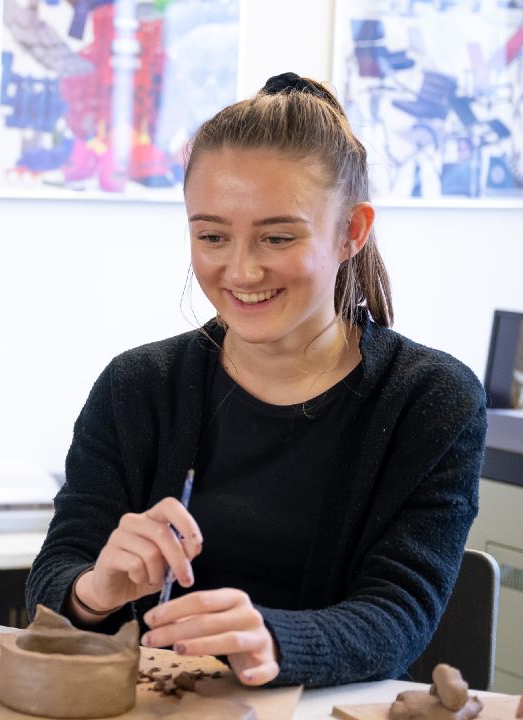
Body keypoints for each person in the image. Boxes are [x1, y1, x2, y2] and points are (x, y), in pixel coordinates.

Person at [26, 73, 486, 688]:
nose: (240, 270)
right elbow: (54, 579)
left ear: (352, 231)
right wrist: (95, 591)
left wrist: (273, 639)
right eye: (212, 236)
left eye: (277, 237)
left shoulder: (431, 399)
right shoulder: (137, 386)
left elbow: (398, 613)